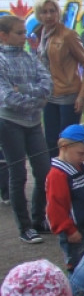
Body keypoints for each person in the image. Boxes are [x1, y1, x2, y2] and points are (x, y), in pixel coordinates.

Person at [0, 15, 53, 244]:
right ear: (3, 35)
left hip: (33, 123)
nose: (25, 36)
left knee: (44, 172)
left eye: (25, 32)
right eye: (19, 33)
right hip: (10, 123)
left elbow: (47, 84)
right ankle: (25, 227)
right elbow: (7, 97)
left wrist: (21, 88)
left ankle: (39, 219)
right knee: (18, 174)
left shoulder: (30, 57)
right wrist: (37, 100)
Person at [33, 0, 84, 159]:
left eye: (52, 11)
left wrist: (83, 96)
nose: (49, 15)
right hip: (49, 95)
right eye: (44, 12)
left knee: (68, 141)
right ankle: (54, 172)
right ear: (38, 14)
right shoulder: (41, 34)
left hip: (68, 95)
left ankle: (70, 171)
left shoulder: (68, 35)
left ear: (58, 13)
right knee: (51, 141)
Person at [45, 124, 84, 272]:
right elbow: (56, 207)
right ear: (64, 146)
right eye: (81, 154)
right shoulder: (58, 175)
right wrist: (69, 230)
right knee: (78, 266)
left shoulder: (78, 168)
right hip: (75, 230)